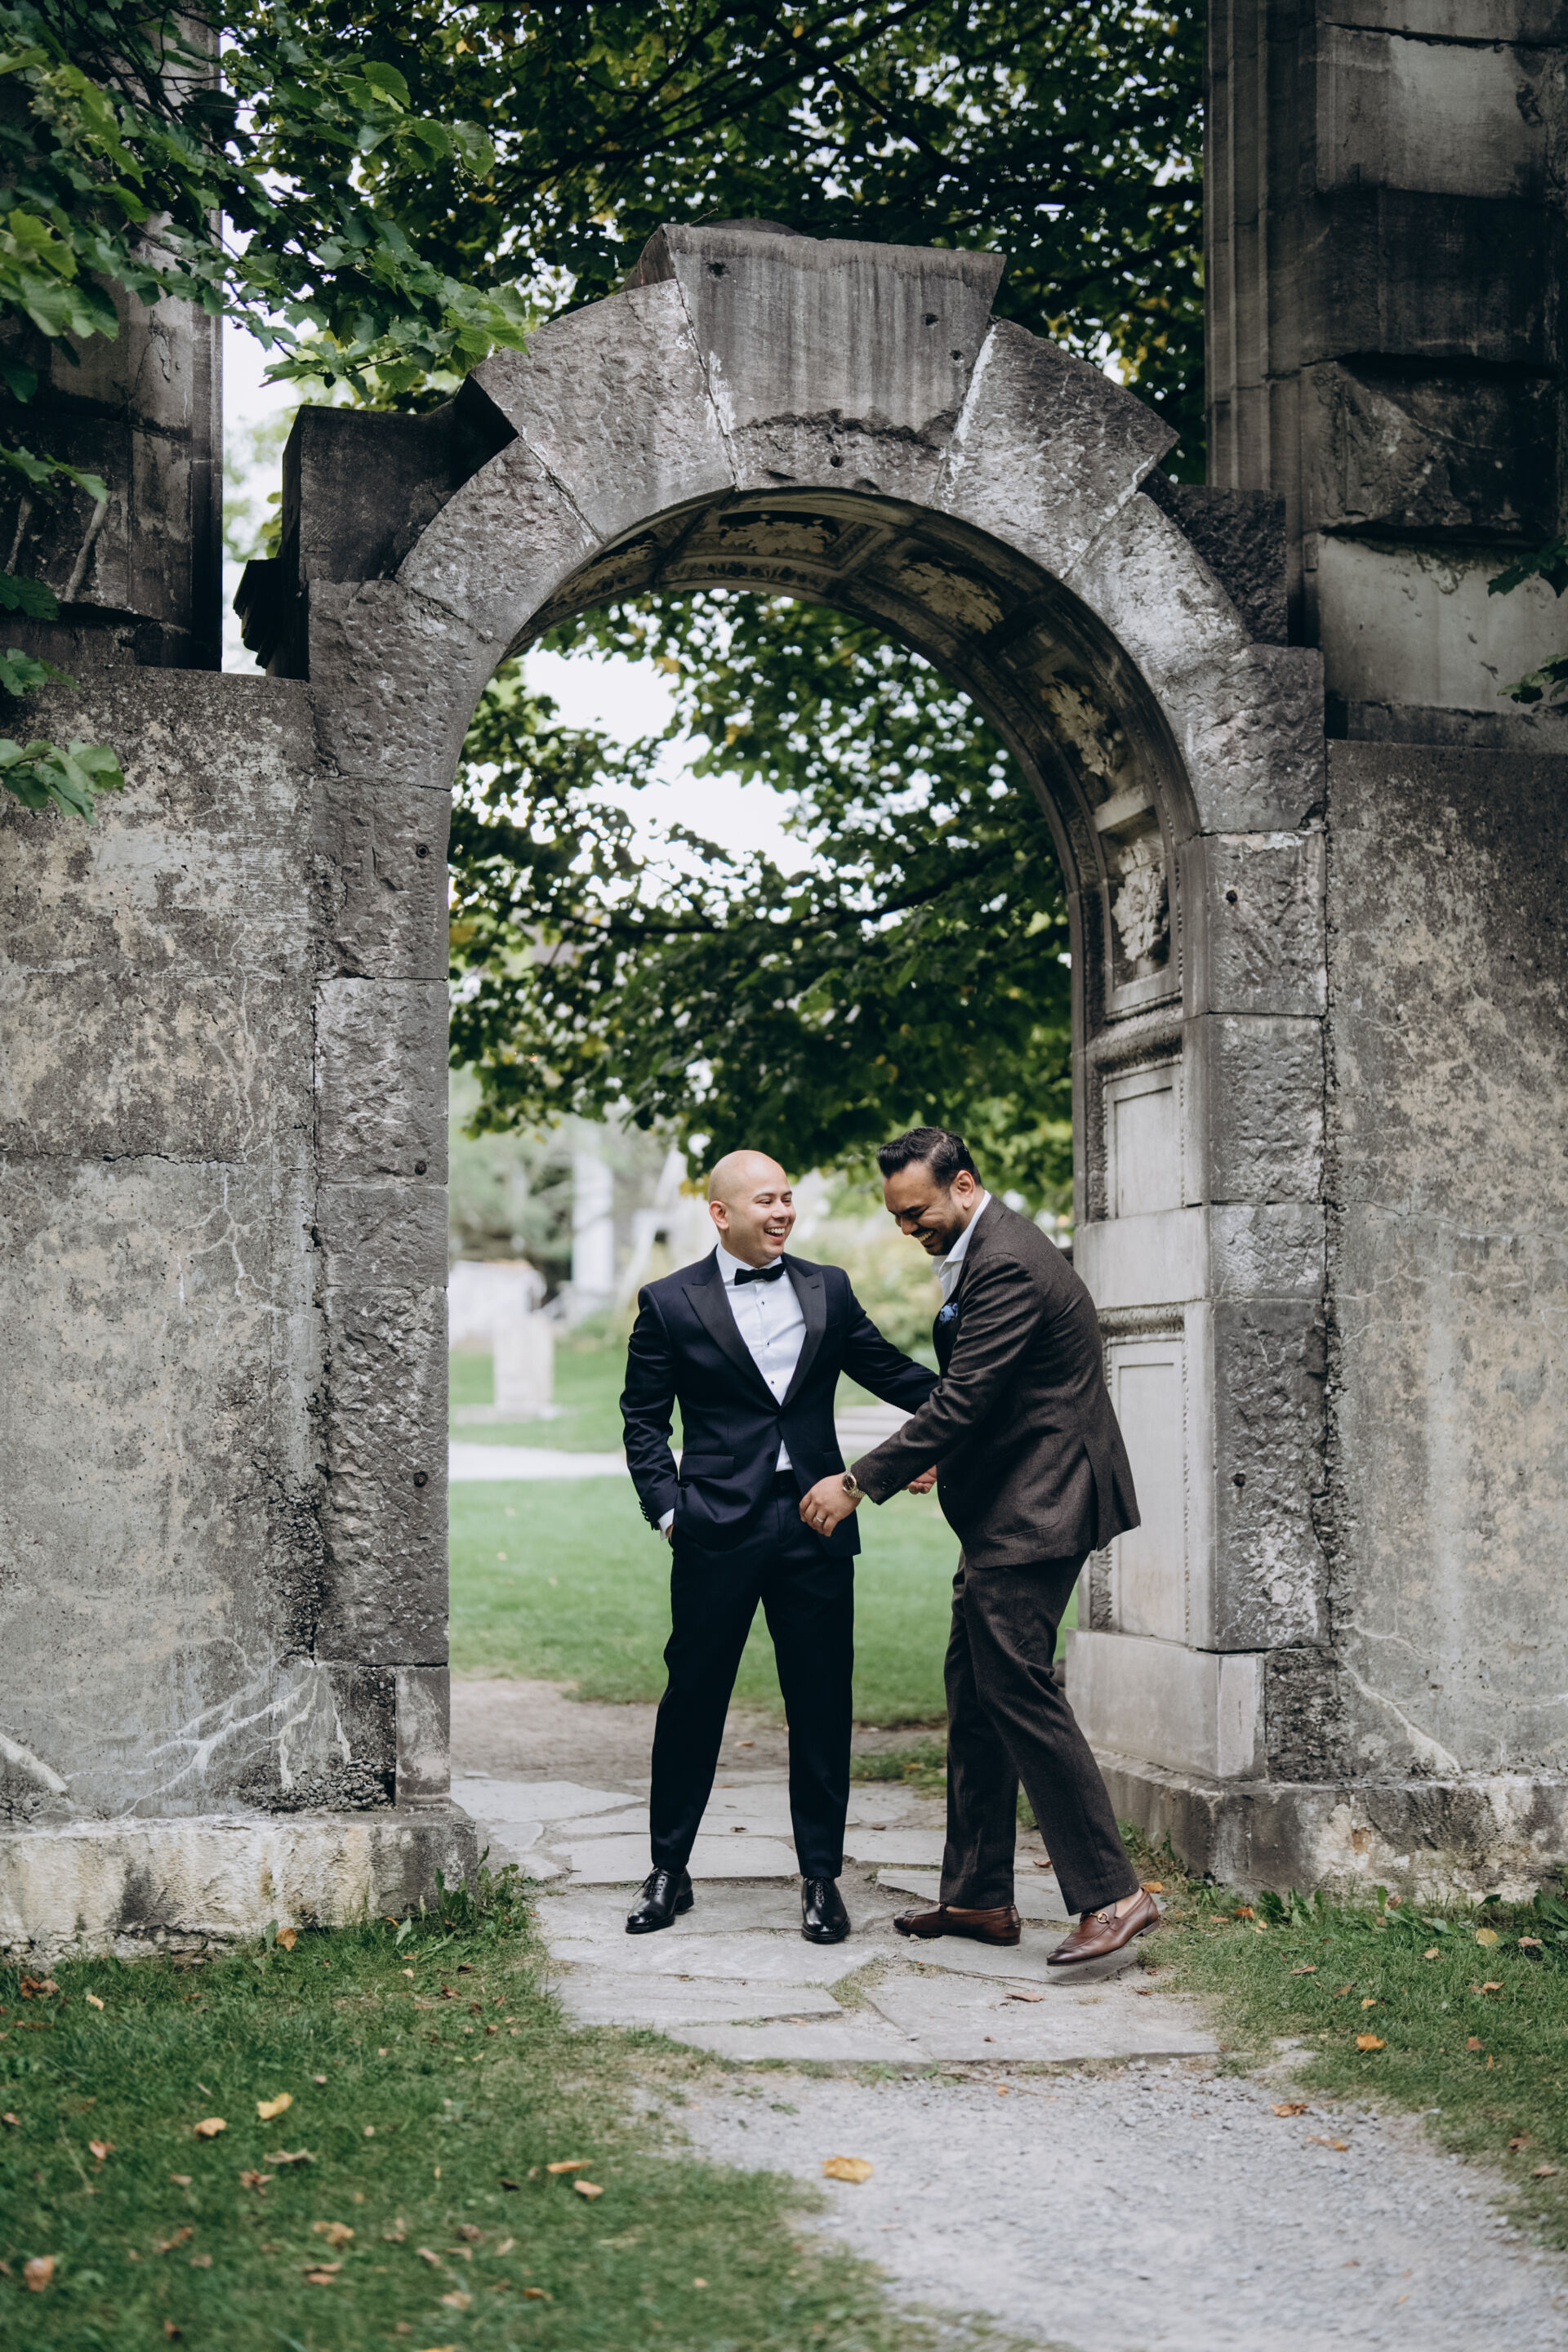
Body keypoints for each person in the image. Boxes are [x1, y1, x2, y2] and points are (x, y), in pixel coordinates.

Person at [797, 1125, 1158, 1970]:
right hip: (1011, 1503)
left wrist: (858, 1482)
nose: (907, 1229)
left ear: (964, 1185)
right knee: (975, 1687)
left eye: (917, 1211)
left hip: (1041, 1505)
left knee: (1016, 1687)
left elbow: (963, 1399)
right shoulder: (984, 1249)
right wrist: (936, 1455)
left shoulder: (1007, 1263)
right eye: (896, 1216)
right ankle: (978, 1896)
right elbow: (988, 1399)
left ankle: (1115, 1895)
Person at [620, 1149, 937, 1944]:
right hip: (714, 1529)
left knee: (822, 1704)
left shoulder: (828, 1287)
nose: (783, 1211)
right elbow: (643, 1421)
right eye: (766, 1200)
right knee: (693, 1700)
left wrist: (965, 1411)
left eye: (788, 1197)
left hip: (817, 1521)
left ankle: (821, 1879)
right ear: (721, 1213)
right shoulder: (668, 1301)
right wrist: (670, 1512)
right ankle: (668, 1871)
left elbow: (891, 1372)